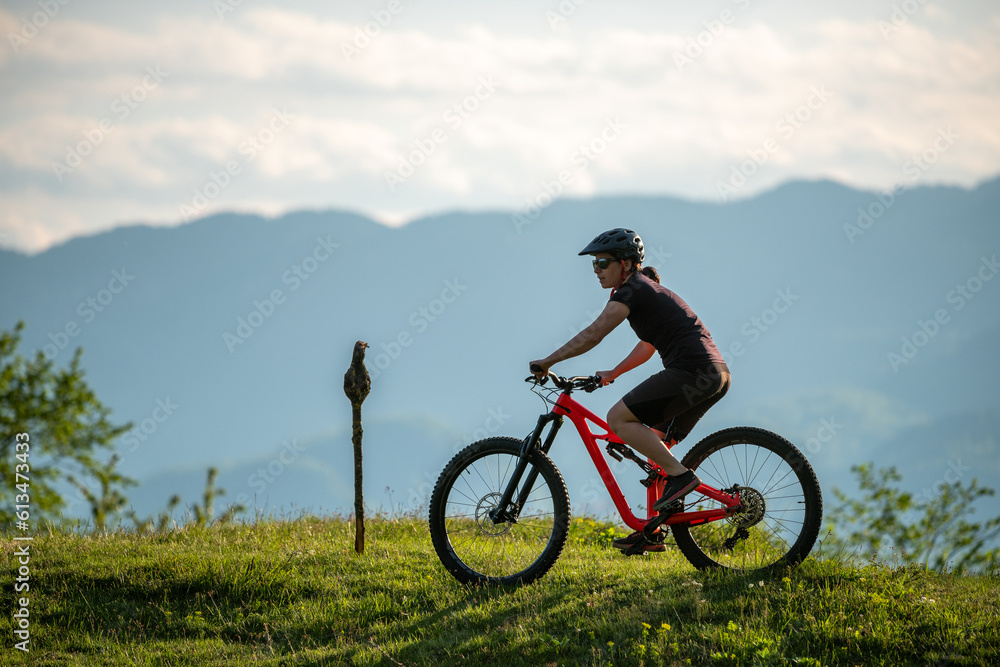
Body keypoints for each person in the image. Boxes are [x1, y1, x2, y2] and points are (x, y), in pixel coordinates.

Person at [529, 228, 731, 552]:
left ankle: (680, 477)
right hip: (715, 374)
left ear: (624, 264)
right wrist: (613, 373)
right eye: (593, 264)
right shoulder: (644, 291)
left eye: (602, 263)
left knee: (618, 420)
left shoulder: (630, 291)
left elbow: (594, 334)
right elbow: (648, 346)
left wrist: (548, 361)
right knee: (654, 440)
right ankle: (653, 530)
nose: (596, 270)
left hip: (692, 372)